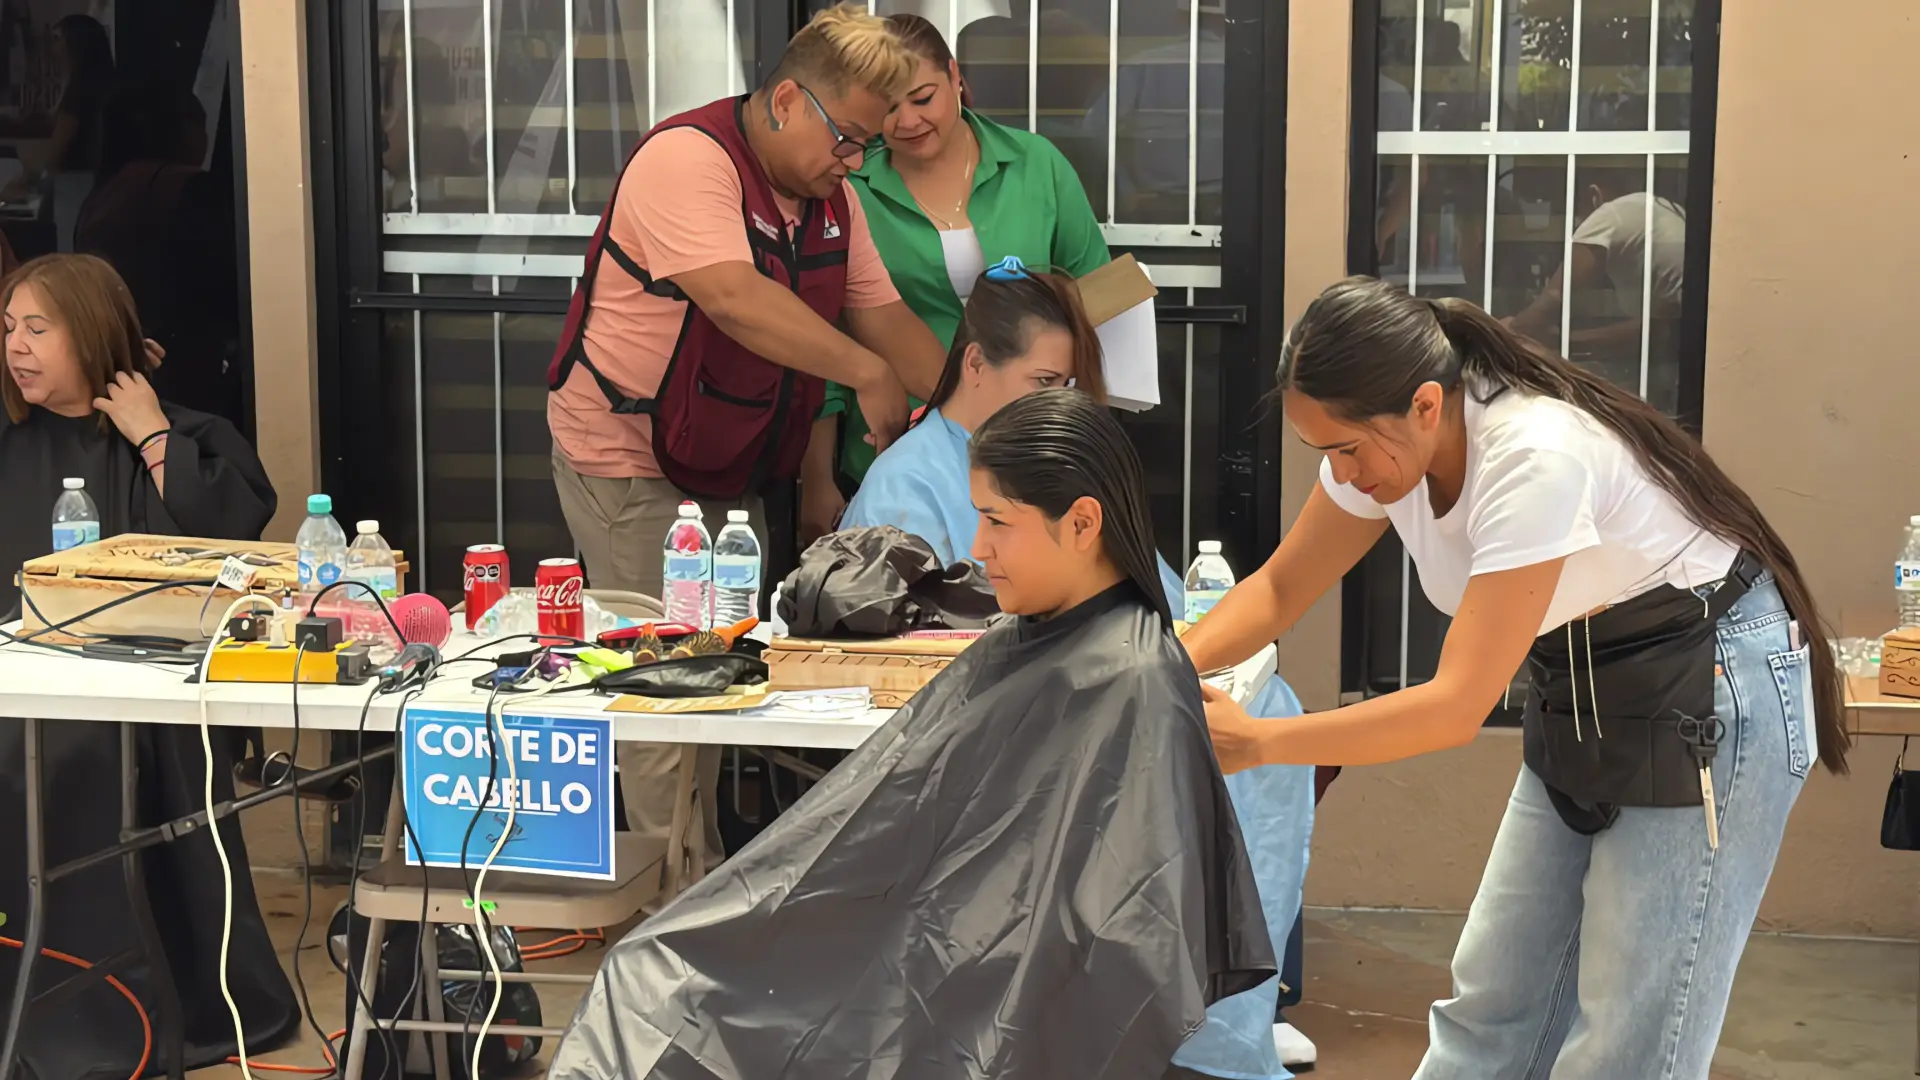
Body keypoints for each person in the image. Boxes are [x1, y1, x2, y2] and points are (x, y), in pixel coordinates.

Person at [1186, 276, 1845, 1079]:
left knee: (1630, 1040)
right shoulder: (1380, 452)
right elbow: (1281, 589)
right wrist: (1160, 672)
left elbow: (1455, 706)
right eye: (1324, 453)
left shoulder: (1533, 454)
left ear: (1426, 405)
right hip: (1583, 683)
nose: (1343, 475)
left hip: (1707, 683)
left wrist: (1259, 742)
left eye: (1349, 449)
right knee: (1493, 1009)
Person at [549, 388, 1274, 1080]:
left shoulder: (1128, 679)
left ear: (1082, 524)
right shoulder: (1036, 643)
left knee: (661, 986)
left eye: (998, 522)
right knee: (651, 970)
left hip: (971, 991)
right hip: (928, 954)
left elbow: (1121, 933)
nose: (979, 548)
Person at [841, 258, 1315, 1080]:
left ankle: (1226, 1016)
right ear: (977, 365)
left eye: (1072, 384)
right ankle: (1195, 1024)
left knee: (1267, 713)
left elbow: (1160, 605)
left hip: (1094, 700)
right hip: (998, 730)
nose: (1061, 400)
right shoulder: (910, 486)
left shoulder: (1059, 469)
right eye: (1046, 379)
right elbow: (919, 653)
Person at [545, 3, 944, 872]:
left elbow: (885, 319)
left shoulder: (831, 202)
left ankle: (697, 895)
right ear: (789, 99)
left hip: (727, 470)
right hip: (632, 463)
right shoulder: (687, 159)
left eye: (865, 148)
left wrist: (974, 407)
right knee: (659, 698)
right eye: (847, 139)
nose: (854, 163)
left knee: (719, 689)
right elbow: (733, 297)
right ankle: (655, 930)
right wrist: (869, 377)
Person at [0, 253, 291, 1076]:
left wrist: (151, 432)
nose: (17, 347)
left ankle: (129, 1008)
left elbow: (229, 531)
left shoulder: (182, 434)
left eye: (39, 328)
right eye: (8, 327)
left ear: (90, 335)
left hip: (134, 707)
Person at [802, 13, 1107, 542]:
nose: (907, 122)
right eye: (887, 108)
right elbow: (823, 338)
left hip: (1030, 448)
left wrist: (1081, 419)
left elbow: (1098, 294)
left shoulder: (1036, 163)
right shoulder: (850, 188)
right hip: (894, 449)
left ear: (956, 75)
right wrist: (817, 477)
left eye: (922, 98)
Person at [77, 81, 244, 429]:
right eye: (199, 125)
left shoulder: (102, 191)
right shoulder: (192, 188)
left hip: (119, 356)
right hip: (185, 359)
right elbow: (223, 277)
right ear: (178, 131)